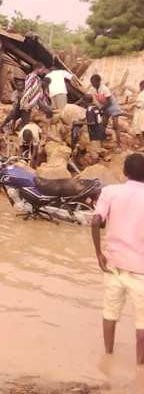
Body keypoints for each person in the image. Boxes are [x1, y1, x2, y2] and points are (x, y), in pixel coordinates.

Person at [91, 153, 144, 364]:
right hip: (141, 270)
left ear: (125, 172)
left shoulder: (110, 192)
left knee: (110, 313)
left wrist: (98, 254)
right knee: (142, 322)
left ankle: (108, 356)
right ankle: (140, 367)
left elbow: (95, 221)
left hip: (113, 265)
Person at [90, 74, 123, 145]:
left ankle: (119, 144)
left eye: (93, 82)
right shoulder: (96, 90)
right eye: (91, 83)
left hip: (113, 107)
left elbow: (109, 102)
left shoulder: (104, 89)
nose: (92, 84)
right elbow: (99, 101)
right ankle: (101, 141)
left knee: (115, 126)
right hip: (105, 108)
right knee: (103, 125)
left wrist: (101, 109)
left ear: (98, 81)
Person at [133, 81, 144, 149]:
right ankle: (140, 144)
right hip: (141, 112)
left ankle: (142, 145)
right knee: (141, 129)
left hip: (140, 113)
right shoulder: (141, 93)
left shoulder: (142, 94)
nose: (139, 87)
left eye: (140, 86)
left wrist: (133, 106)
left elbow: (140, 105)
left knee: (138, 130)